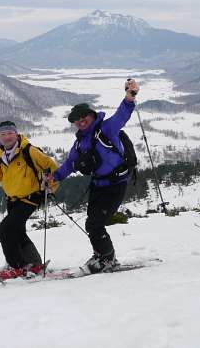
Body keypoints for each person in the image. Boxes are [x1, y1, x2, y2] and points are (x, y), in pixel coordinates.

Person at [46, 79, 140, 274]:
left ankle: (108, 259)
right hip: (98, 185)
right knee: (93, 222)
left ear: (92, 115)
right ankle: (101, 255)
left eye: (83, 115)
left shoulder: (107, 129)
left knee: (94, 223)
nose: (80, 120)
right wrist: (53, 178)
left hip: (115, 184)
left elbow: (122, 116)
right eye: (76, 118)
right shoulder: (80, 142)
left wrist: (129, 98)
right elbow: (70, 164)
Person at [0, 121, 59, 280]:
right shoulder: (0, 156)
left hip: (30, 198)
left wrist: (52, 186)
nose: (7, 137)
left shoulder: (30, 151)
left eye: (9, 133)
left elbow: (52, 167)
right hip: (12, 200)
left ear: (16, 134)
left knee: (5, 230)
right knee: (17, 231)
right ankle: (34, 264)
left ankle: (16, 266)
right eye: (3, 134)